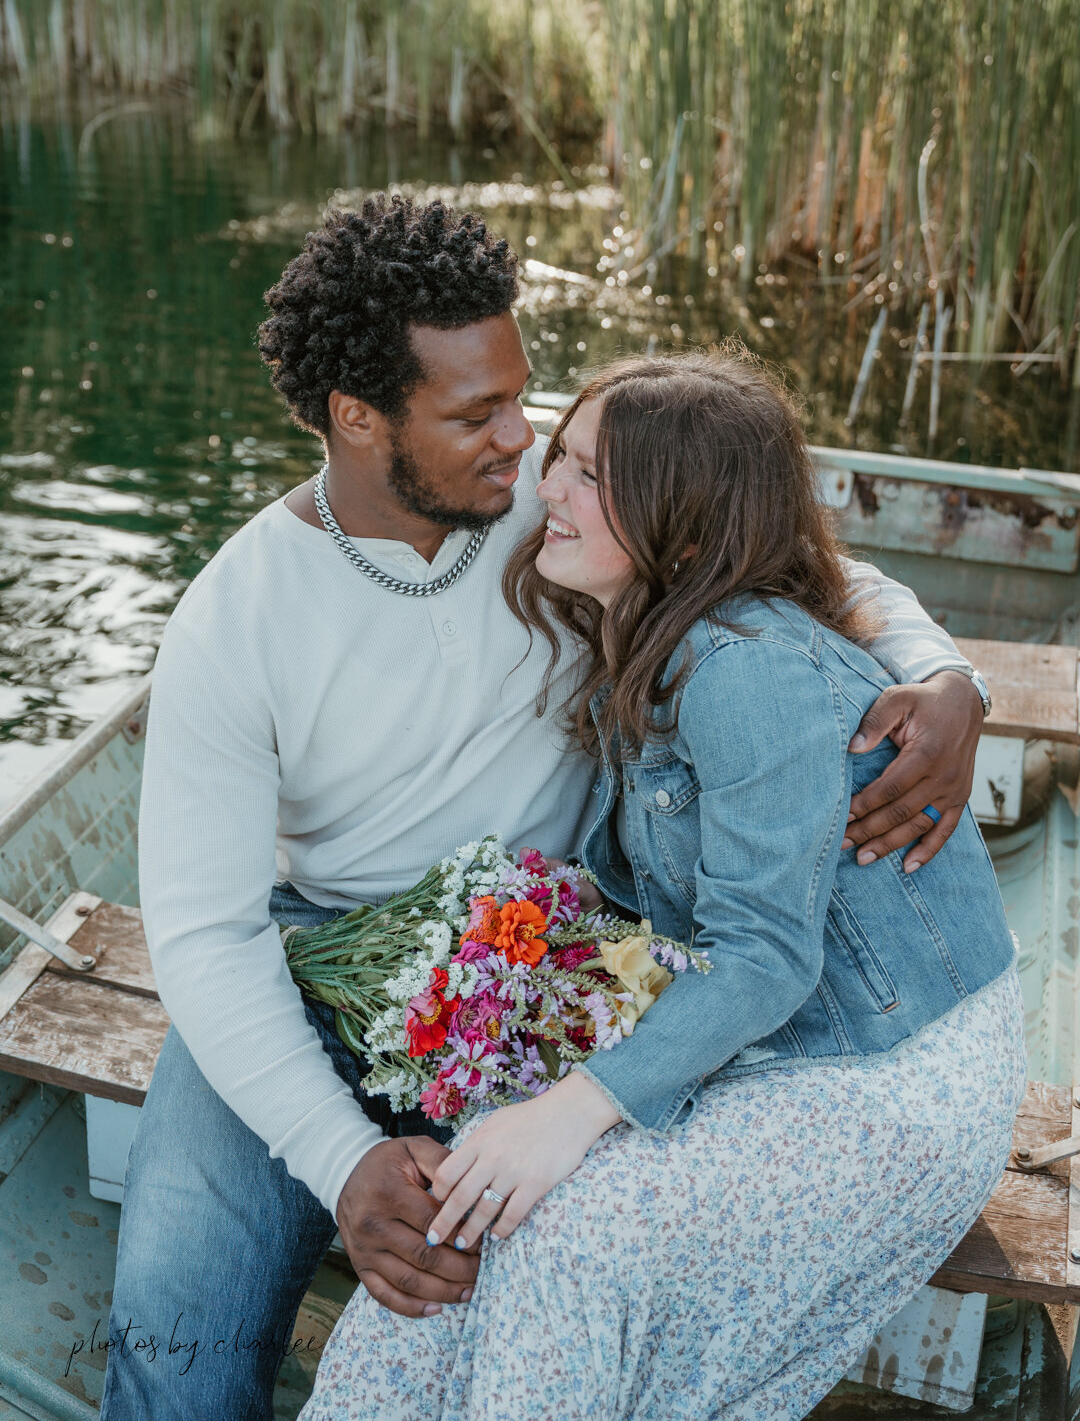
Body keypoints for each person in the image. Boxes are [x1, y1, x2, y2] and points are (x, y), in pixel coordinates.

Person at [101, 198, 989, 1421]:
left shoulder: (562, 504)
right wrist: (345, 1158)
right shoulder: (231, 623)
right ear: (359, 419)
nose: (523, 438)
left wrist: (948, 677)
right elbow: (206, 936)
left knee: (507, 1263)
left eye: (523, 399)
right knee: (173, 1315)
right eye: (478, 414)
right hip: (322, 953)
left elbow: (799, 564)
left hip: (559, 948)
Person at [299, 348, 1024, 1421]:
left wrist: (570, 1112)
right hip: (772, 1033)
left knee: (576, 1240)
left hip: (895, 1066)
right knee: (468, 1224)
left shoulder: (744, 666)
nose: (547, 488)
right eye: (562, 458)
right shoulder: (636, 615)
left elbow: (768, 955)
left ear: (685, 530)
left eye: (589, 474)